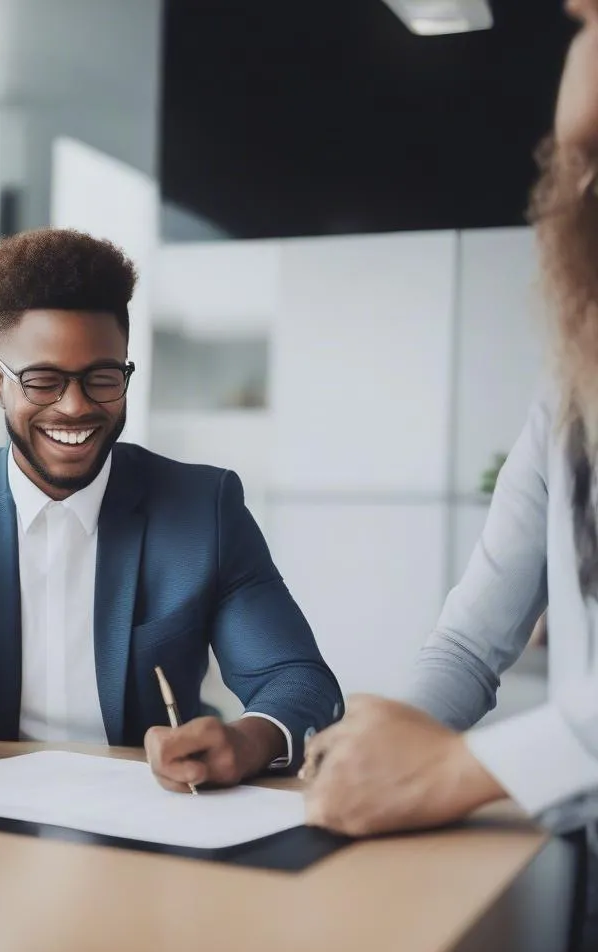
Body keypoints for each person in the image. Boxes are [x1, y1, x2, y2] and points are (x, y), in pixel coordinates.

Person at [0, 227, 343, 790]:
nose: (75, 406)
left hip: (150, 818)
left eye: (102, 378)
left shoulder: (204, 510)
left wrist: (248, 742)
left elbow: (297, 680)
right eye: (43, 380)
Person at [303, 0, 598, 839]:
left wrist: (449, 770)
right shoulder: (569, 394)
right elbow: (471, 644)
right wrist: (373, 748)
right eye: (580, 177)